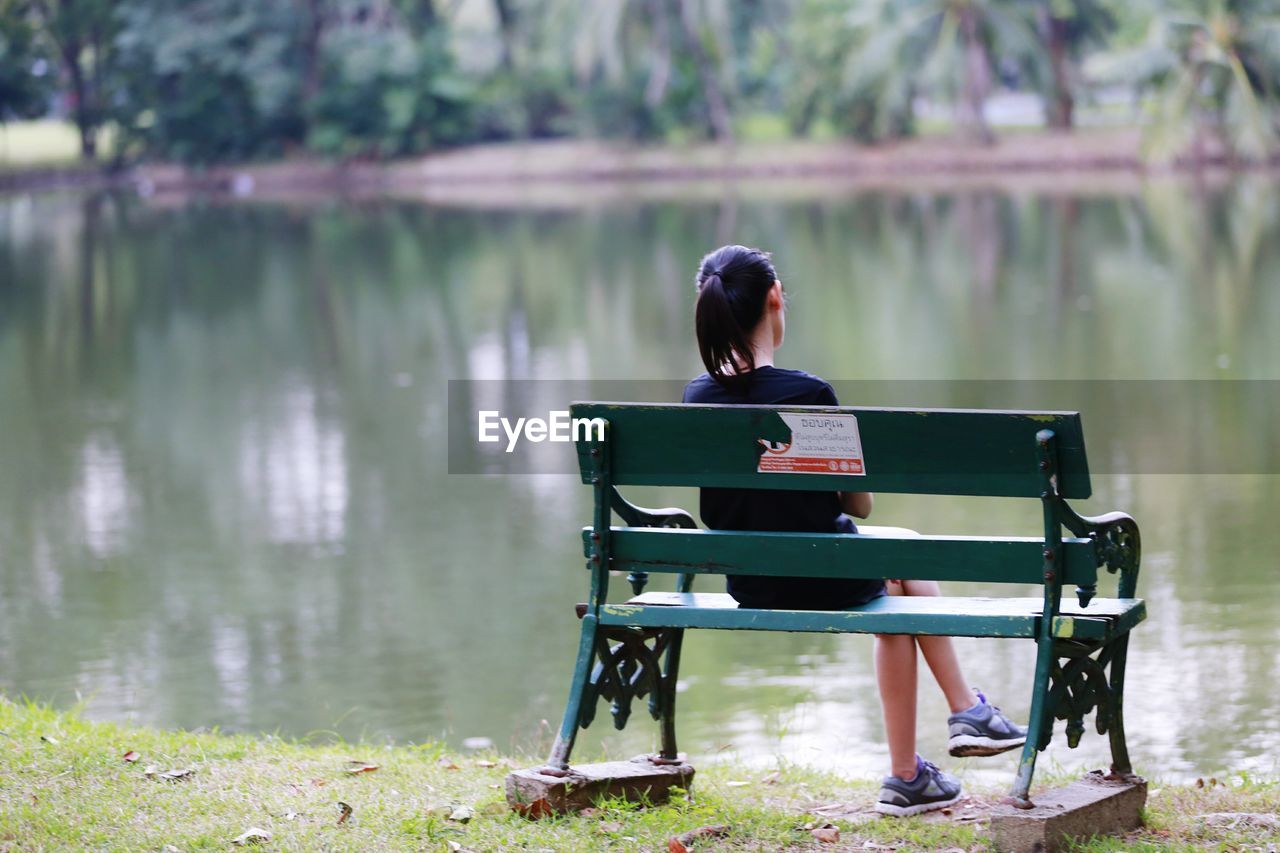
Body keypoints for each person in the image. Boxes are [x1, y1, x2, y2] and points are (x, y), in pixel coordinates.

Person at [680, 244, 1028, 817]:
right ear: (774, 300)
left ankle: (914, 770)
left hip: (752, 580)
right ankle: (959, 718)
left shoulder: (697, 396)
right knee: (900, 567)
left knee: (898, 575)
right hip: (825, 576)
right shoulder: (808, 394)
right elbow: (860, 507)